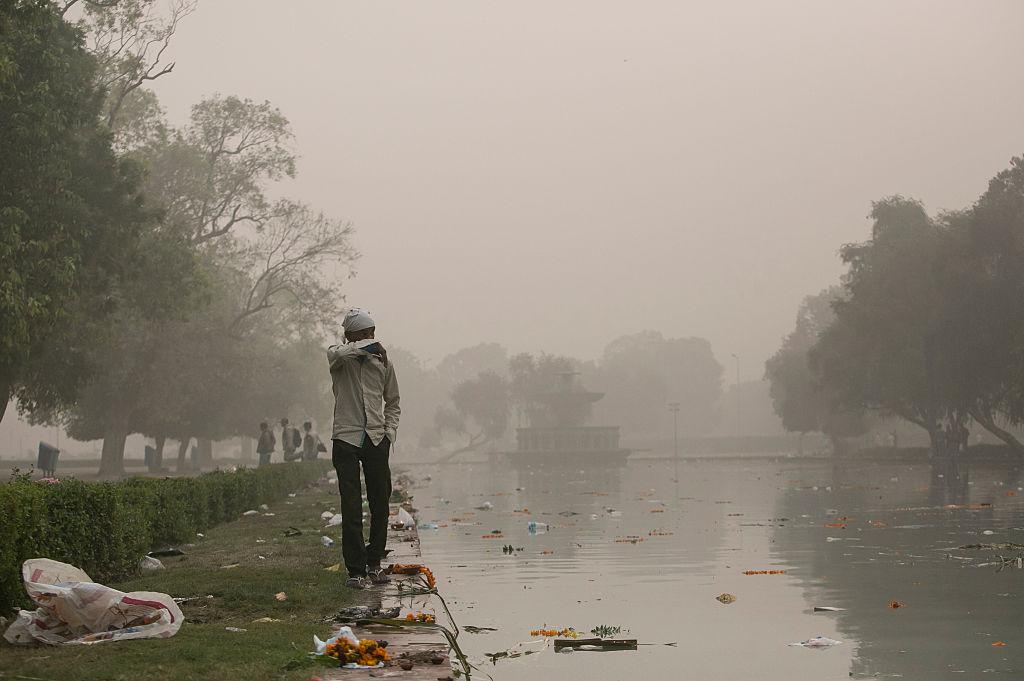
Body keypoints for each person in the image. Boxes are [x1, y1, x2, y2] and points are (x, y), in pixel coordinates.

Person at [327, 308, 400, 588]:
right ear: (350, 336)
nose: (370, 338)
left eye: (372, 334)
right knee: (351, 505)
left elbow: (393, 401)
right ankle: (355, 570)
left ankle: (374, 563)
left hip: (376, 439)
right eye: (363, 334)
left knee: (380, 503)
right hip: (346, 438)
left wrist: (389, 431)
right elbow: (337, 353)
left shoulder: (382, 363)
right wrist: (366, 346)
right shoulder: (340, 360)